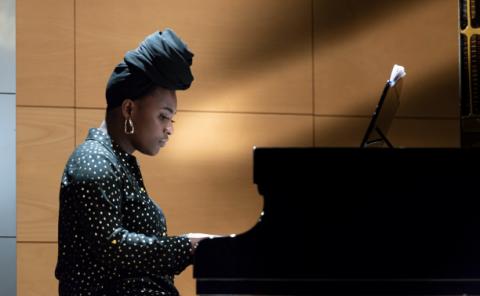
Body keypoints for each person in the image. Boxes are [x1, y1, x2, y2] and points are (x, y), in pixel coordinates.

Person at [55, 28, 215, 295]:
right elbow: (112, 246)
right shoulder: (93, 160)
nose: (170, 129)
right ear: (129, 109)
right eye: (164, 116)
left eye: (171, 119)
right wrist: (187, 246)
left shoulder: (117, 162)